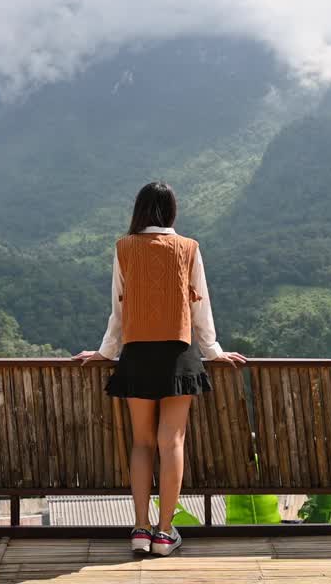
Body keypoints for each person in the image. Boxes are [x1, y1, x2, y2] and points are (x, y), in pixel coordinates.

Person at [72, 181, 246, 556]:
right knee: (172, 443)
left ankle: (139, 528)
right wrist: (214, 352)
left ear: (139, 210)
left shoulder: (124, 248)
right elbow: (200, 305)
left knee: (142, 443)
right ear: (171, 211)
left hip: (135, 355)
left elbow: (118, 309)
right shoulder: (188, 248)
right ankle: (165, 534)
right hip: (179, 355)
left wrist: (105, 352)